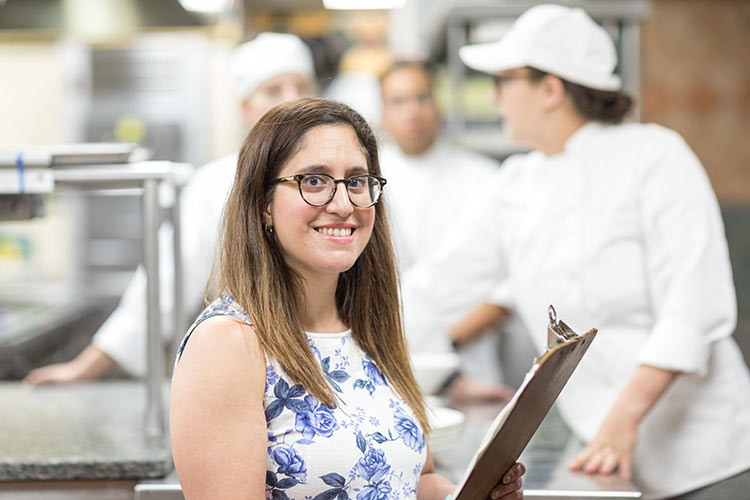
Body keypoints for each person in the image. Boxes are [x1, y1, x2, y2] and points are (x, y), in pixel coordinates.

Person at [401, 4, 750, 499]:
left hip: (707, 457)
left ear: (550, 89)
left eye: (506, 80)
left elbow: (693, 308)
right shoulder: (517, 184)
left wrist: (622, 419)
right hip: (605, 461)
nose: (496, 96)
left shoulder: (655, 156)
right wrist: (328, 339)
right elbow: (435, 287)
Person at [169, 98, 526, 499]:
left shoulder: (369, 330)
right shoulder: (227, 344)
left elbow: (415, 479)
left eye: (356, 181)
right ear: (263, 204)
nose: (343, 205)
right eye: (314, 181)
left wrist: (468, 495)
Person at [24, 33, 317, 384]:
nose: (291, 100)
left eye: (301, 86)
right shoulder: (216, 185)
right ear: (244, 107)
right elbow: (162, 284)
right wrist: (83, 369)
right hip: (255, 371)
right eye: (273, 90)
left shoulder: (348, 177)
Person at [378, 60, 513, 400]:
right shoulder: (366, 182)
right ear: (382, 112)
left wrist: (446, 343)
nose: (412, 111)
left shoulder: (483, 178)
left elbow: (512, 282)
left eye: (422, 97)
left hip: (473, 366)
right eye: (398, 101)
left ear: (438, 103)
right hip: (387, 367)